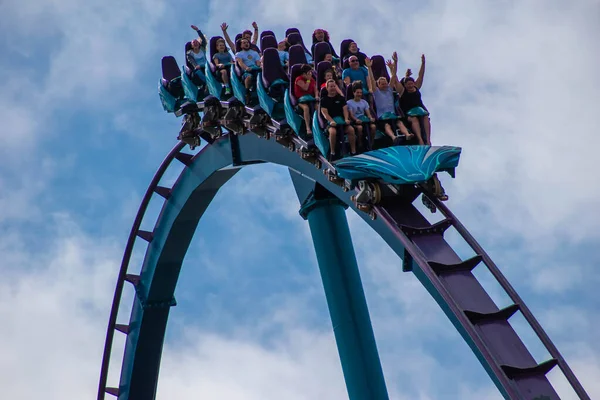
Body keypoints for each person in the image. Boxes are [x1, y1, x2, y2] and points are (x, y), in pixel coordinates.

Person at [365, 54, 414, 143]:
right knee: (387, 125)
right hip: (382, 117)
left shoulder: (389, 90)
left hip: (392, 115)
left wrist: (395, 62)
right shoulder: (376, 92)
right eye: (382, 84)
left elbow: (393, 76)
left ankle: (407, 134)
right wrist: (369, 68)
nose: (384, 85)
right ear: (378, 85)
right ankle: (393, 137)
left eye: (385, 83)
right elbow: (372, 80)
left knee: (399, 123)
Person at [320, 79, 357, 159]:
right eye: (331, 87)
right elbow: (325, 113)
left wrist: (346, 119)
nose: (333, 88)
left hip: (342, 122)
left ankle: (353, 151)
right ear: (327, 88)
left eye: (334, 86)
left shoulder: (341, 98)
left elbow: (345, 110)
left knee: (351, 129)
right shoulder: (324, 100)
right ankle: (333, 152)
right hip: (331, 123)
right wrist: (331, 121)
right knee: (333, 132)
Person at [400, 54, 431, 145]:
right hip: (409, 113)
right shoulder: (403, 91)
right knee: (414, 119)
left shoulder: (416, 87)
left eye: (411, 84)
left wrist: (423, 63)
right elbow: (395, 80)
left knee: (425, 117)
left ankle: (428, 140)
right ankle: (420, 139)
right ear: (405, 85)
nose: (410, 86)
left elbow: (421, 76)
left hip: (420, 110)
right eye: (408, 84)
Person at [347, 83, 377, 151]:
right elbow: (351, 115)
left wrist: (370, 118)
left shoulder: (364, 102)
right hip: (355, 121)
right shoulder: (349, 102)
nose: (359, 94)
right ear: (354, 93)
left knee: (373, 127)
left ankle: (371, 143)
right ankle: (360, 143)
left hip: (364, 120)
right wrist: (356, 120)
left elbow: (368, 113)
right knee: (359, 128)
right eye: (357, 92)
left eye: (360, 93)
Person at [294, 64, 317, 135]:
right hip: (301, 100)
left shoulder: (311, 79)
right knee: (306, 108)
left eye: (311, 72)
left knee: (318, 107)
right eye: (309, 73)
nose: (310, 74)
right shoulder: (298, 79)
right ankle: (308, 128)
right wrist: (308, 80)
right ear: (304, 74)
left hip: (310, 99)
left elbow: (315, 89)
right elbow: (305, 88)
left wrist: (316, 96)